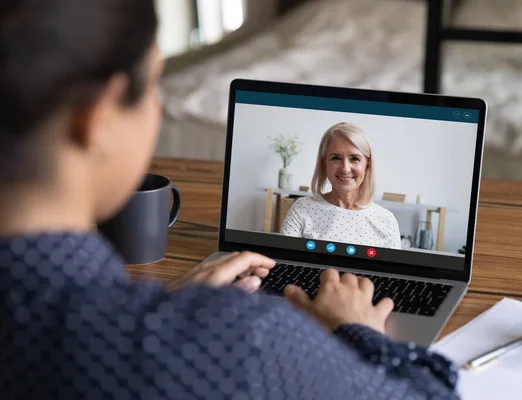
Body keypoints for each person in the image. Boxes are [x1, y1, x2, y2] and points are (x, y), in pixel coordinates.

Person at [0, 1, 459, 399]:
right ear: (97, 118)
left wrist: (172, 307)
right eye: (156, 86)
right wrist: (358, 332)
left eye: (355, 159)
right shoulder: (246, 338)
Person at [281, 122, 402, 249]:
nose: (345, 168)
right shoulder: (302, 209)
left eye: (354, 158)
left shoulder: (386, 220)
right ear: (324, 164)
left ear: (367, 165)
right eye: (336, 158)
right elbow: (284, 262)